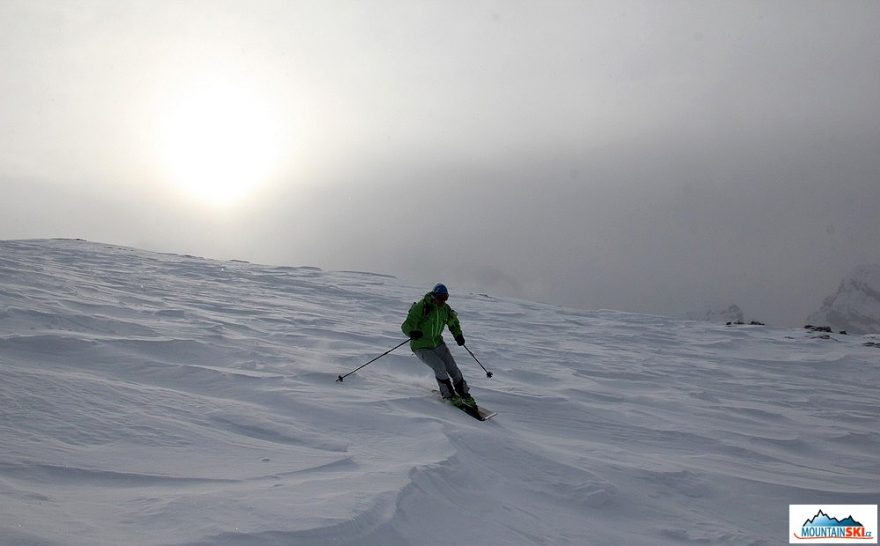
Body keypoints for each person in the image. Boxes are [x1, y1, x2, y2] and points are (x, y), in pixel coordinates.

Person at [401, 283, 474, 407]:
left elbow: (453, 323)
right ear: (434, 296)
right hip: (421, 345)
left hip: (438, 343)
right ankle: (449, 395)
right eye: (440, 297)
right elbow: (407, 325)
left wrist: (458, 335)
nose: (442, 301)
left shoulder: (445, 309)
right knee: (439, 367)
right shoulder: (422, 306)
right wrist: (412, 332)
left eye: (445, 298)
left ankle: (464, 394)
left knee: (453, 368)